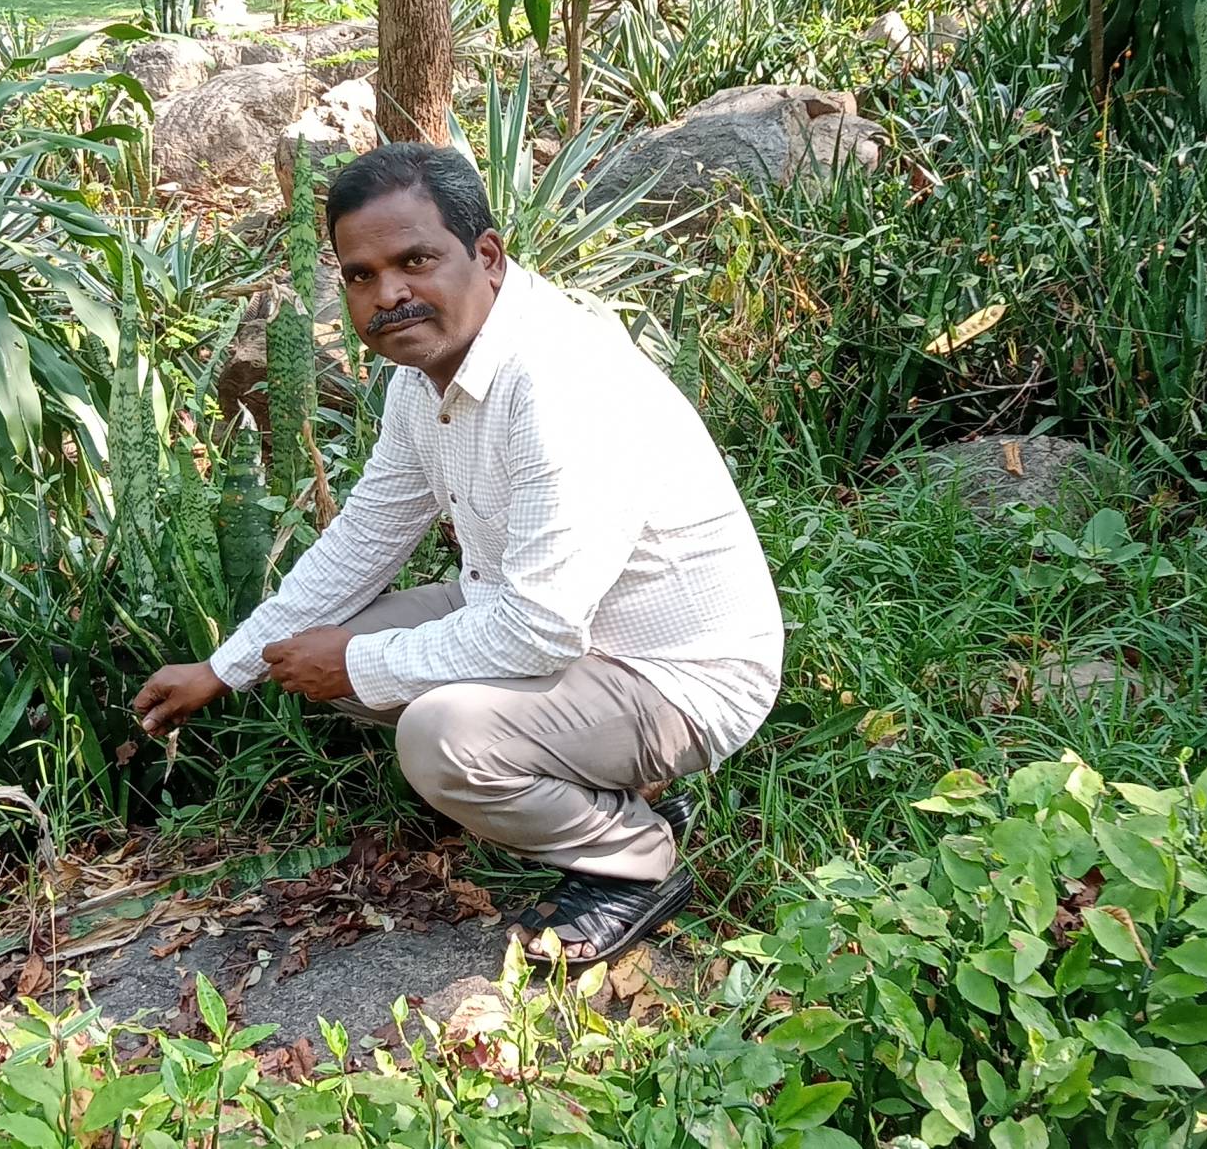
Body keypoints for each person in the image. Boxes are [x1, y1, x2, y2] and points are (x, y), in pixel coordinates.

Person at [131, 142, 784, 965]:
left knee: (437, 733)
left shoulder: (560, 384)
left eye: (415, 260)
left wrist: (363, 665)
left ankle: (633, 861)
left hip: (673, 676)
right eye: (361, 275)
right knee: (317, 644)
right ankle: (586, 784)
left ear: (486, 255)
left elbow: (540, 630)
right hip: (551, 627)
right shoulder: (426, 376)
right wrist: (226, 668)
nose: (389, 294)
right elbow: (363, 537)